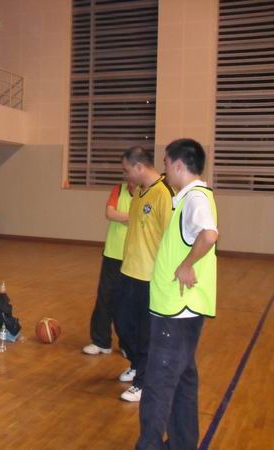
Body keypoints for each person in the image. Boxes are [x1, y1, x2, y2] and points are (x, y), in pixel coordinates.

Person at [136, 139, 218, 450]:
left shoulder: (195, 198)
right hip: (183, 309)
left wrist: (186, 264)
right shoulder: (193, 197)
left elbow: (209, 235)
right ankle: (183, 443)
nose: (165, 171)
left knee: (158, 385)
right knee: (183, 380)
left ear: (180, 165)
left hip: (176, 311)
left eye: (167, 164)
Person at [115, 147, 174, 402]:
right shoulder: (139, 192)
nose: (125, 175)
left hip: (150, 278)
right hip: (128, 271)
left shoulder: (164, 194)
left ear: (139, 167)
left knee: (145, 332)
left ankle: (143, 381)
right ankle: (137, 363)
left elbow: (171, 240)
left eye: (127, 170)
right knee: (122, 324)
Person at [82, 180, 136, 356]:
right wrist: (131, 217)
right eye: (125, 172)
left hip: (134, 257)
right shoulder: (118, 190)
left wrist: (123, 216)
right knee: (104, 299)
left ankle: (128, 344)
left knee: (128, 303)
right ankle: (101, 341)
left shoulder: (148, 193)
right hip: (112, 255)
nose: (128, 177)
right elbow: (109, 213)